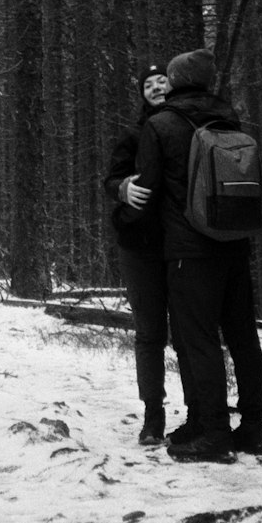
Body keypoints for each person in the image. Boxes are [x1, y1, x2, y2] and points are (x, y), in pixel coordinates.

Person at [129, 48, 262, 463]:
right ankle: (252, 430)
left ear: (176, 81)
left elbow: (148, 189)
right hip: (234, 244)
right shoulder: (227, 117)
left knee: (199, 340)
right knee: (243, 337)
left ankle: (213, 434)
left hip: (189, 251)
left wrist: (125, 211)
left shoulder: (162, 124)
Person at [103, 63, 175, 445]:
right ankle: (153, 417)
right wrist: (123, 188)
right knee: (149, 334)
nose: (155, 87)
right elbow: (110, 179)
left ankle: (202, 415)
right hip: (140, 247)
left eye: (162, 80)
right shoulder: (132, 135)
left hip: (184, 247)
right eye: (148, 84)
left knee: (189, 332)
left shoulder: (189, 128)